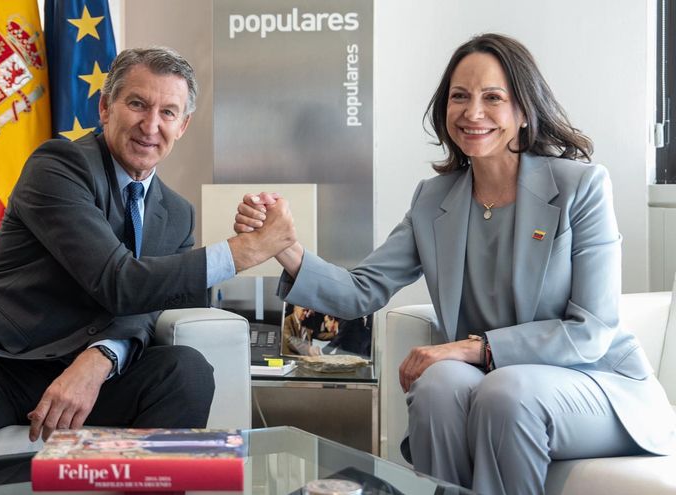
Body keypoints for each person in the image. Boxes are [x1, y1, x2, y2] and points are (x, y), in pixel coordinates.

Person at [235, 33, 676, 494]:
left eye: (493, 98)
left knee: (505, 392)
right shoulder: (434, 200)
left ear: (523, 111)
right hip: (498, 385)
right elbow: (360, 290)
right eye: (459, 97)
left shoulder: (580, 188)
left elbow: (592, 329)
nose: (473, 112)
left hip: (595, 383)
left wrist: (470, 348)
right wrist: (284, 246)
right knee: (438, 383)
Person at [0, 47, 295, 492]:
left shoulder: (177, 214)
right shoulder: (58, 166)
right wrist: (246, 250)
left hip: (90, 370)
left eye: (168, 112)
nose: (151, 125)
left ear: (183, 126)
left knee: (187, 370)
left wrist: (101, 358)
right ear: (105, 107)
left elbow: (156, 304)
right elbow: (119, 282)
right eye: (137, 104)